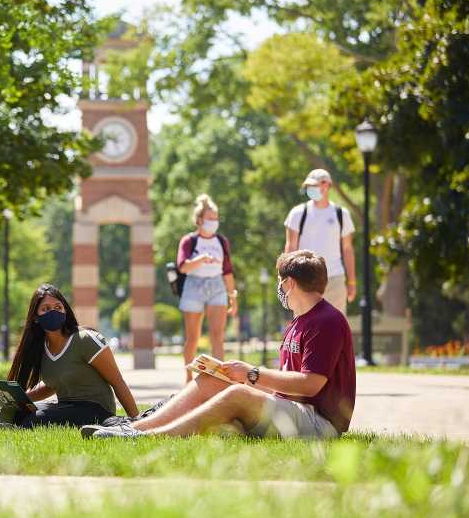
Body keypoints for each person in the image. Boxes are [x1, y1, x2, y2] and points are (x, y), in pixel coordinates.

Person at [82, 250, 356, 440]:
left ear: (291, 283)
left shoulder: (327, 321)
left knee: (237, 394)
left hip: (321, 424)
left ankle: (148, 437)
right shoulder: (298, 322)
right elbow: (286, 385)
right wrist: (231, 373)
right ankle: (135, 427)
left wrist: (251, 374)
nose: (280, 288)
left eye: (281, 281)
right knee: (211, 380)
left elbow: (310, 384)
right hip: (293, 410)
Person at [6, 283, 139, 428]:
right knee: (19, 414)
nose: (53, 312)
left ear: (65, 311)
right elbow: (54, 384)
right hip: (66, 407)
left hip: (96, 410)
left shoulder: (85, 340)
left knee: (34, 421)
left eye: (58, 307)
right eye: (46, 309)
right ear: (35, 317)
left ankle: (121, 425)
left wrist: (137, 423)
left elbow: (117, 381)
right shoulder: (40, 348)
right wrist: (15, 399)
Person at [176, 194, 238, 382]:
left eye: (216, 218)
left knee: (217, 336)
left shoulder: (221, 241)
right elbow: (183, 267)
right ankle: (188, 377)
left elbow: (227, 271)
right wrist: (201, 259)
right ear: (200, 220)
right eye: (210, 218)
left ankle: (218, 379)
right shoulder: (189, 241)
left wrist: (233, 298)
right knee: (192, 337)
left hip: (217, 285)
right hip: (194, 285)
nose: (214, 222)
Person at [284, 168, 356, 314]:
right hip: (305, 280)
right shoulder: (297, 213)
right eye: (309, 186)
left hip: (335, 279)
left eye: (314, 186)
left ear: (327, 185)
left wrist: (352, 281)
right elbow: (290, 247)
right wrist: (285, 278)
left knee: (335, 329)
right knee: (306, 329)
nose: (310, 189)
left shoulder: (341, 214)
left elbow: (347, 249)